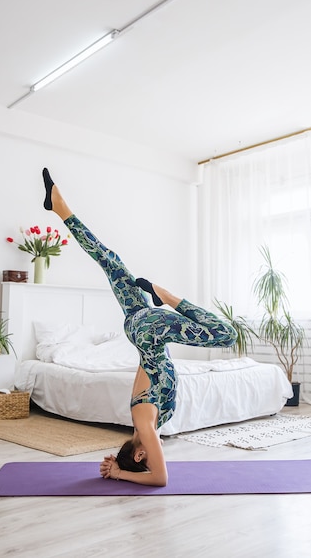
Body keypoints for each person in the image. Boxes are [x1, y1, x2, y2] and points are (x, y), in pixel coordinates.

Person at [42, 168, 237, 486]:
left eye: (150, 454)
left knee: (227, 334)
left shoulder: (144, 422)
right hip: (142, 329)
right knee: (110, 261)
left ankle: (166, 295)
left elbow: (160, 479)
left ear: (139, 455)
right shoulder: (144, 415)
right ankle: (60, 206)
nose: (157, 450)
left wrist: (119, 472)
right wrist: (116, 463)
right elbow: (147, 364)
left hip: (148, 331)